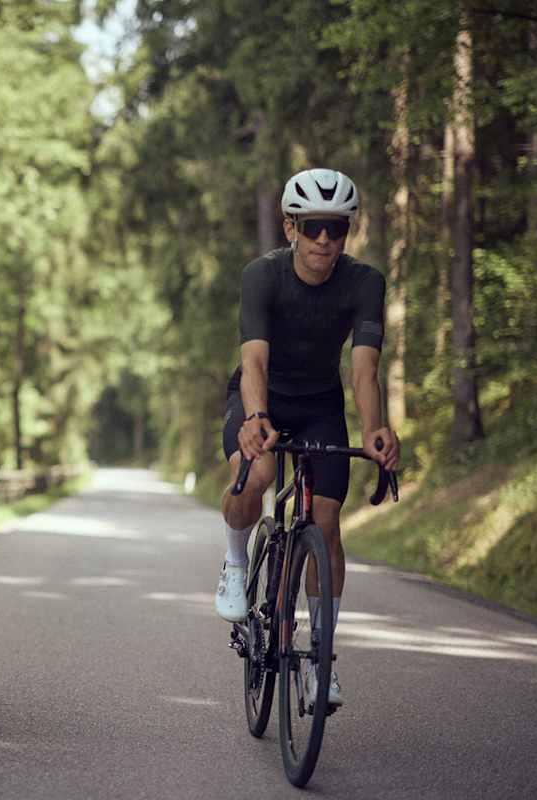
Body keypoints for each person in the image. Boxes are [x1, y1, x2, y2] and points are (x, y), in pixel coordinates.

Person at [214, 168, 400, 707]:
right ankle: (234, 561)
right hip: (262, 395)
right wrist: (256, 417)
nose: (324, 239)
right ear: (290, 227)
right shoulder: (262, 275)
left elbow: (364, 371)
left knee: (326, 521)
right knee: (258, 475)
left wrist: (375, 429)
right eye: (313, 226)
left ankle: (320, 659)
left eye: (336, 228)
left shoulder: (365, 283)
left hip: (320, 405)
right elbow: (254, 360)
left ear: (347, 232)